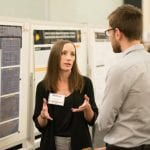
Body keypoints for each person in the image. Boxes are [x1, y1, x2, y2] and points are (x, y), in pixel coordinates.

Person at [98, 4, 150, 150]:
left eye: (109, 31)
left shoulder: (120, 69)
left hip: (124, 146)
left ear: (117, 33)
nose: (109, 37)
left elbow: (104, 122)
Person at [33, 39, 98, 150]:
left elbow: (92, 120)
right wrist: (43, 116)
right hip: (52, 144)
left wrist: (88, 109)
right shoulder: (43, 87)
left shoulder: (85, 83)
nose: (69, 58)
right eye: (64, 53)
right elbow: (40, 125)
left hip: (80, 142)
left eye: (72, 54)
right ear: (55, 57)